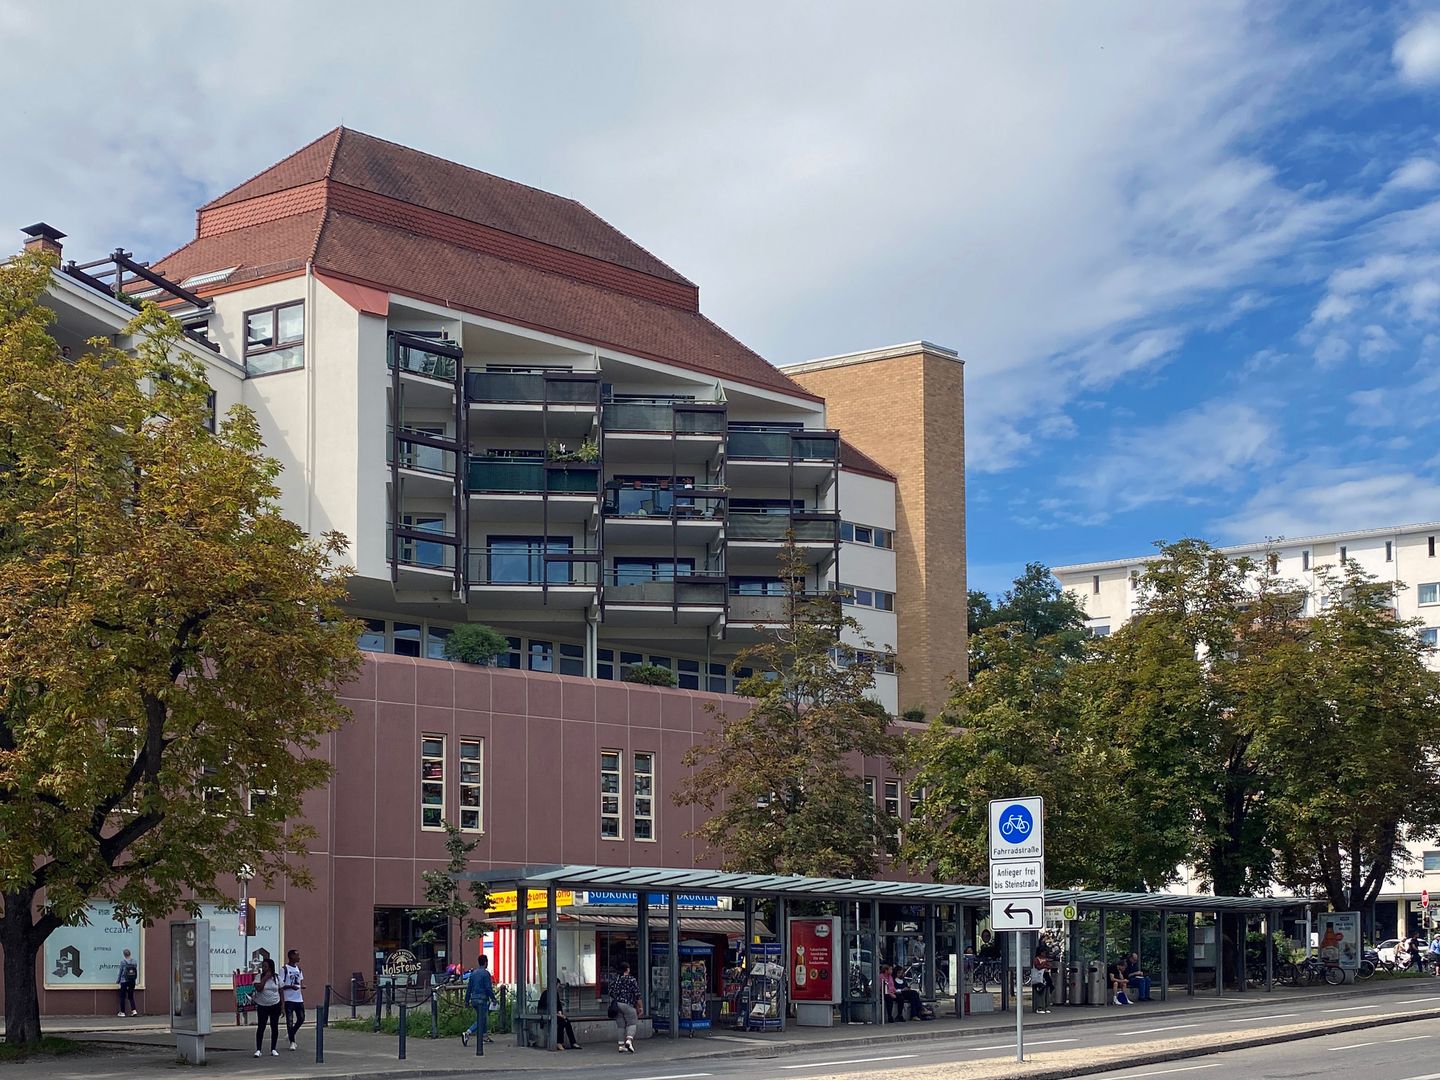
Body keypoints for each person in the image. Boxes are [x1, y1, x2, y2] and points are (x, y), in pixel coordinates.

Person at [252, 958, 283, 1057]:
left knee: (274, 1026)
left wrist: (282, 1006)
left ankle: (273, 1048)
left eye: (266, 966)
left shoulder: (277, 978)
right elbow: (259, 988)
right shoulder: (259, 977)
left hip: (275, 1004)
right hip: (262, 1005)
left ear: (271, 967)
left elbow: (281, 991)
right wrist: (265, 978)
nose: (264, 968)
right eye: (263, 966)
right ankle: (258, 1049)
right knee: (261, 1027)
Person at [538, 979, 582, 1050]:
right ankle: (559, 1042)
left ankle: (572, 1042)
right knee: (562, 1021)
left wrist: (560, 1012)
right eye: (557, 986)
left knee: (566, 1021)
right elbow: (546, 1009)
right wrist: (558, 1015)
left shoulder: (555, 994)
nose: (558, 988)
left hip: (555, 1015)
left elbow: (558, 1006)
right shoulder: (546, 994)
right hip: (546, 1015)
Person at [461, 954, 493, 1047]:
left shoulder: (473, 973)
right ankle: (468, 1032)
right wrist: (493, 998)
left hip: (474, 999)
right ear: (486, 963)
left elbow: (469, 988)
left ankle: (484, 1036)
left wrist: (466, 1001)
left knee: (483, 1017)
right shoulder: (486, 974)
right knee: (481, 1019)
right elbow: (488, 988)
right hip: (482, 999)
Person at [610, 960, 642, 1053]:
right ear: (627, 969)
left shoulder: (616, 980)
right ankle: (629, 1040)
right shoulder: (631, 980)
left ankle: (621, 1045)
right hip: (628, 1004)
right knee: (632, 1023)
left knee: (621, 1025)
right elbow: (637, 994)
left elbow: (611, 992)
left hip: (617, 1005)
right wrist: (640, 1007)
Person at [281, 949, 305, 1051]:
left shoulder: (298, 969)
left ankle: (291, 1033)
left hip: (298, 998)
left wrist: (302, 986)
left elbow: (300, 981)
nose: (299, 957)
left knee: (301, 1018)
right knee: (289, 1021)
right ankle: (292, 1041)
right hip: (289, 999)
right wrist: (290, 987)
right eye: (297, 956)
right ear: (291, 957)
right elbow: (281, 986)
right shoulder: (284, 969)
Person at [117, 948, 138, 1017]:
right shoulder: (134, 962)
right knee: (131, 996)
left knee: (122, 996)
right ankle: (134, 1010)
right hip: (132, 981)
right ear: (130, 954)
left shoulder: (123, 962)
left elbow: (120, 972)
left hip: (124, 981)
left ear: (124, 955)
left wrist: (118, 981)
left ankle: (122, 1012)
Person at [1029, 948, 1051, 1013]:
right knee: (1040, 992)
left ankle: (1046, 1006)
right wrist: (1044, 964)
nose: (1044, 953)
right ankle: (1040, 1007)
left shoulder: (1045, 959)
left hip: (1046, 976)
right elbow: (1038, 967)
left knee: (1046, 992)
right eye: (1043, 952)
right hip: (1039, 977)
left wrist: (1045, 965)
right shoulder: (1036, 959)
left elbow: (1049, 966)